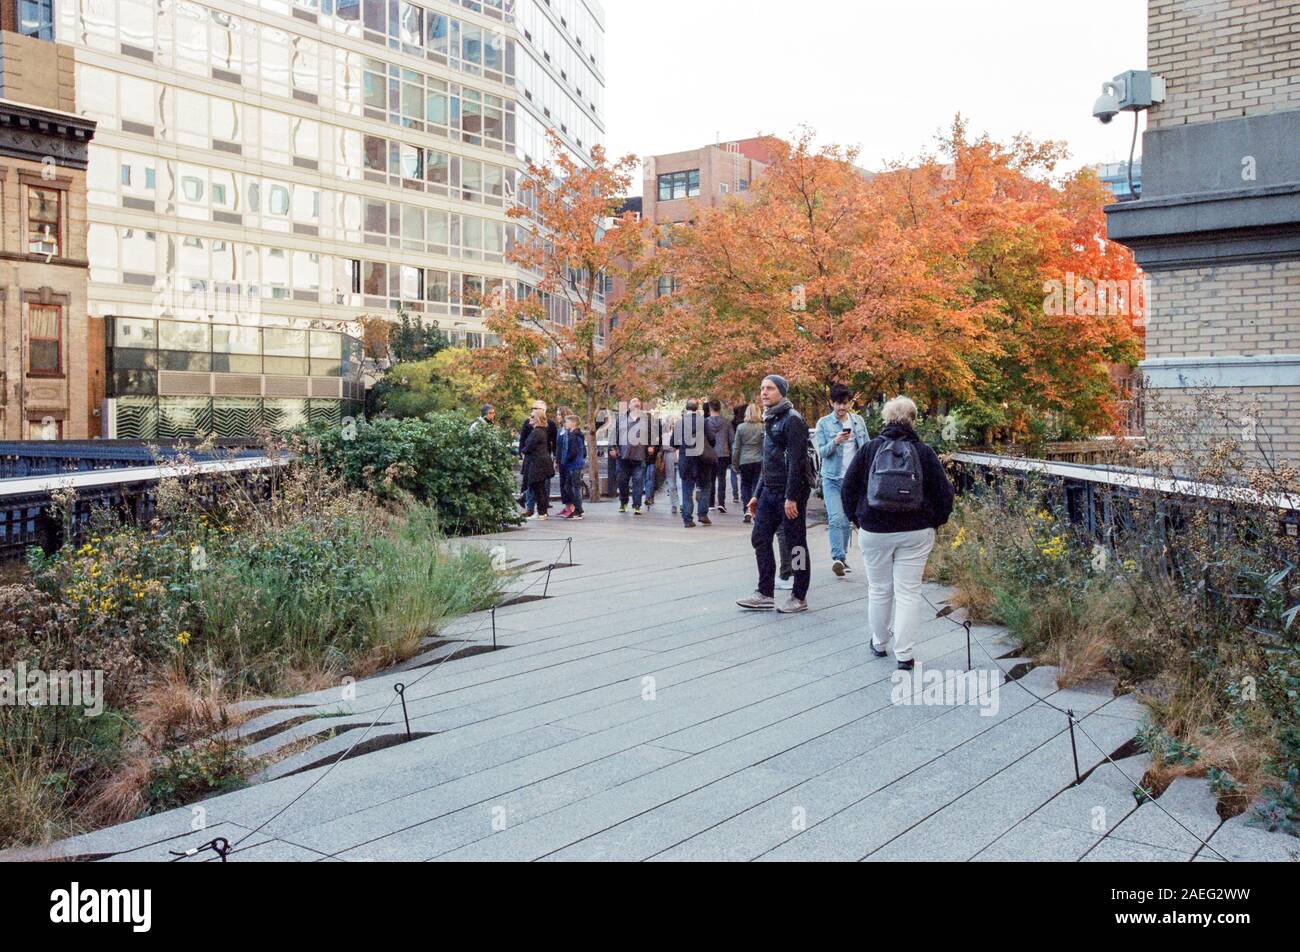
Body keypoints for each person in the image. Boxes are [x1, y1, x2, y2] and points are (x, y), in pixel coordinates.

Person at [841, 396, 955, 671]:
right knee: (908, 592)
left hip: (874, 529)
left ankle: (879, 643)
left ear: (886, 419)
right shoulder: (924, 452)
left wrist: (858, 519)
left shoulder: (869, 449)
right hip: (916, 530)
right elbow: (945, 493)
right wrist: (933, 522)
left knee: (879, 589)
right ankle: (905, 654)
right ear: (913, 420)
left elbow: (848, 488)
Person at [737, 374, 811, 613]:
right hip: (769, 492)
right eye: (762, 388)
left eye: (769, 388)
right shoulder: (770, 419)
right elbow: (767, 462)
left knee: (796, 546)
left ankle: (799, 595)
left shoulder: (792, 420)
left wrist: (791, 497)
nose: (764, 392)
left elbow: (797, 463)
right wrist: (756, 494)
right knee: (759, 537)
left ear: (781, 391)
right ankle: (765, 592)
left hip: (790, 495)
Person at [815, 384, 871, 578]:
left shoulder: (858, 422)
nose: (842, 407)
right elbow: (821, 452)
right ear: (831, 402)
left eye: (845, 403)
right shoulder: (823, 423)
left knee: (846, 520)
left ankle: (843, 558)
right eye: (838, 403)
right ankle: (837, 557)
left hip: (853, 480)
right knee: (836, 518)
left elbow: (866, 448)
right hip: (832, 478)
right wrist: (836, 441)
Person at [672, 400, 711, 528]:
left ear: (686, 408)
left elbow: (673, 443)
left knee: (687, 490)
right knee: (705, 487)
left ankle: (688, 519)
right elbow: (712, 439)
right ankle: (702, 514)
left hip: (686, 460)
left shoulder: (679, 423)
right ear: (697, 408)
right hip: (702, 460)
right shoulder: (704, 422)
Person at [610, 397, 650, 515]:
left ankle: (637, 505)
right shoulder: (621, 419)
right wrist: (613, 448)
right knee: (622, 482)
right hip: (623, 457)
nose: (637, 403)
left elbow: (653, 436)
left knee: (638, 482)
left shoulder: (646, 419)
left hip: (640, 457)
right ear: (629, 406)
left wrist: (652, 447)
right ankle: (623, 502)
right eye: (634, 402)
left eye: (638, 402)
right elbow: (613, 436)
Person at [732, 402, 764, 525]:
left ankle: (747, 510)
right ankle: (756, 511)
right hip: (759, 460)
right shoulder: (762, 427)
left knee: (745, 486)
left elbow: (736, 448)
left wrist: (735, 464)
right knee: (756, 486)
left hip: (744, 460)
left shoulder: (741, 428)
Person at [521, 406, 556, 520]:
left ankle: (541, 512)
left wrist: (523, 451)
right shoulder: (541, 431)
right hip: (540, 463)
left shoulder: (537, 432)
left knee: (538, 488)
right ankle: (542, 511)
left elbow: (529, 447)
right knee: (538, 487)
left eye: (532, 416)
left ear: (537, 419)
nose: (529, 418)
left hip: (538, 464)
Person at [557, 413, 586, 520]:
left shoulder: (573, 435)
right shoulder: (577, 434)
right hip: (576, 464)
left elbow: (573, 451)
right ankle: (578, 509)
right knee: (571, 487)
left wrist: (566, 460)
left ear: (573, 423)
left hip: (574, 465)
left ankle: (577, 510)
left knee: (574, 488)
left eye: (567, 422)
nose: (566, 424)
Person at [707, 400, 734, 514]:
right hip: (723, 453)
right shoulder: (727, 423)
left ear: (710, 409)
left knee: (710, 479)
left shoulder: (706, 422)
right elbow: (732, 439)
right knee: (721, 479)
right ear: (720, 409)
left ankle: (711, 503)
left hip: (709, 454)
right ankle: (721, 503)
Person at [730, 405, 746, 504]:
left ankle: (735, 494)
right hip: (745, 448)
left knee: (733, 472)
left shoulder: (732, 423)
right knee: (744, 474)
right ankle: (743, 494)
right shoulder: (746, 423)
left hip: (735, 446)